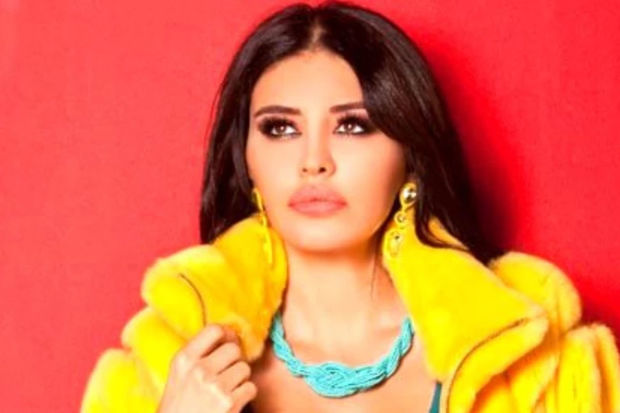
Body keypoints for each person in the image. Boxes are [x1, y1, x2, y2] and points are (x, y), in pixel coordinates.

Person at [79, 1, 620, 412]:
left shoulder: (536, 359)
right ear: (246, 161)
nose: (314, 161)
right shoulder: (159, 370)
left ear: (410, 155)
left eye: (353, 126)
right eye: (281, 128)